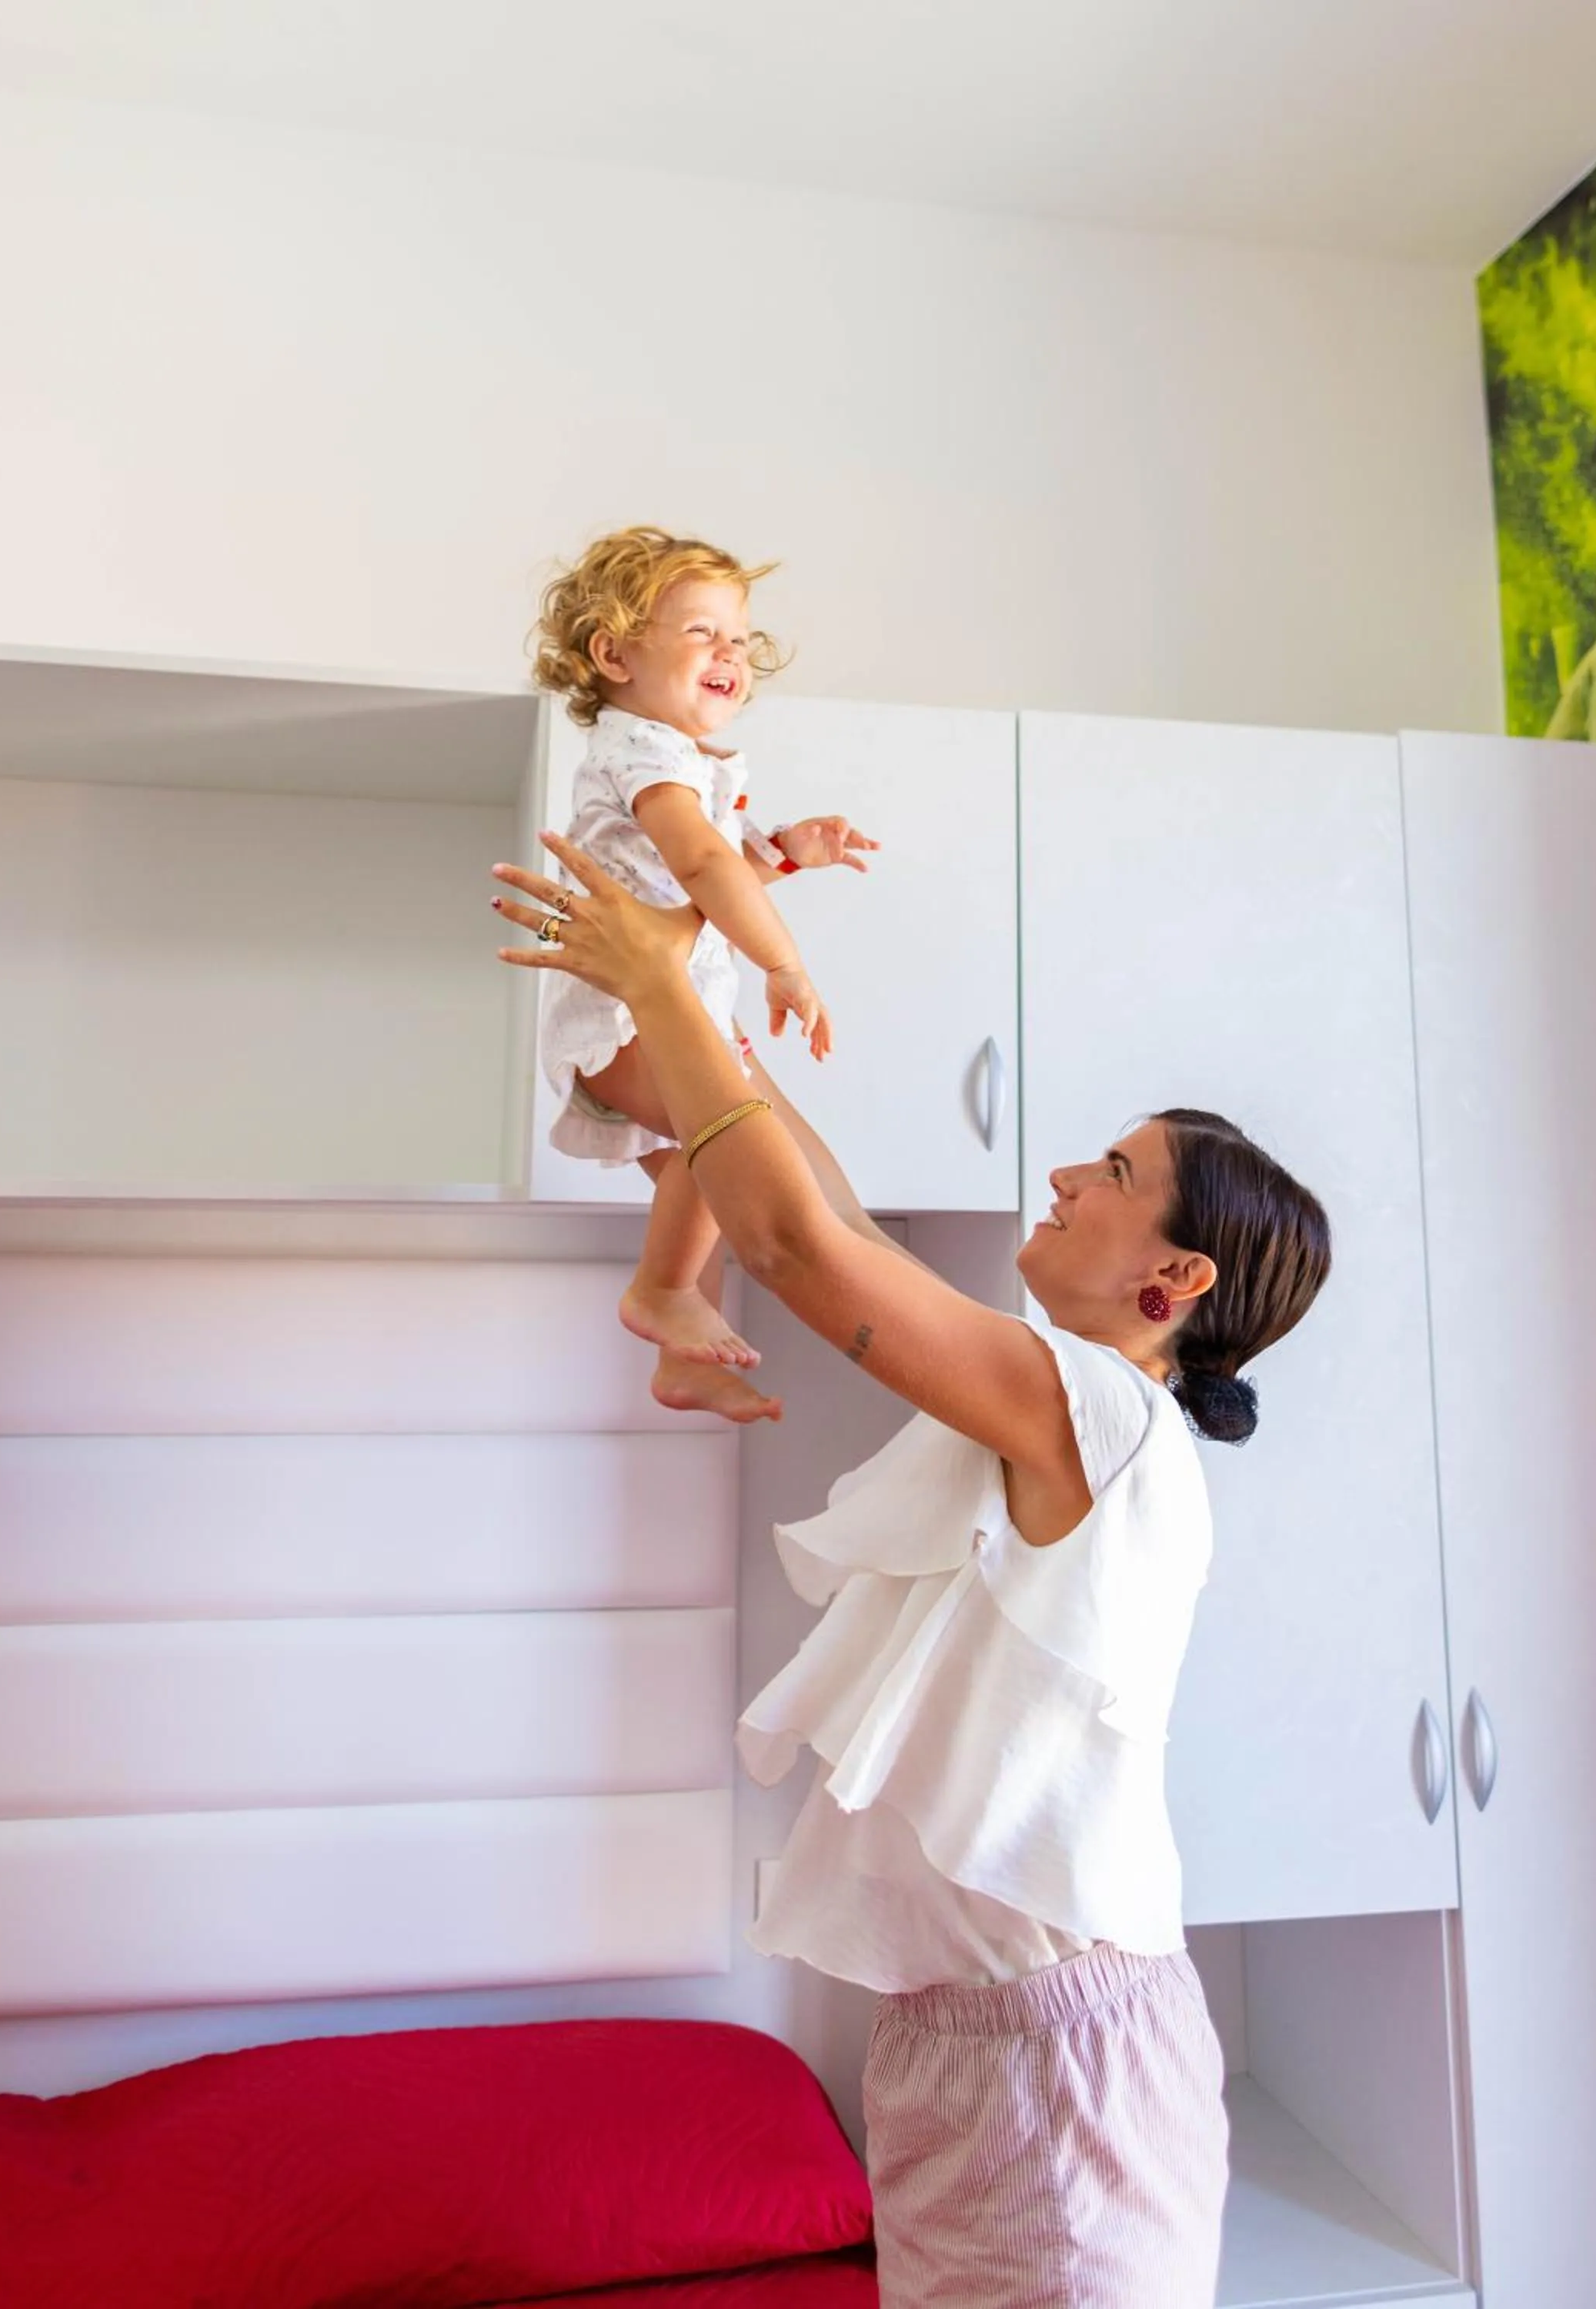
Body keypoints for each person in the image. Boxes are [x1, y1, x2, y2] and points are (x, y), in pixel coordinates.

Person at [491, 837, 1331, 2308]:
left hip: (1062, 2067)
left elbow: (801, 1252)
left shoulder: (1113, 1421)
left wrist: (665, 991)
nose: (1066, 1172)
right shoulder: (1053, 1396)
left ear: (1176, 1280)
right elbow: (840, 1222)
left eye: (1116, 1172)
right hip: (974, 2043)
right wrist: (692, 1028)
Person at [530, 526, 878, 1422]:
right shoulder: (645, 751)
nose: (729, 653)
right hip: (629, 1018)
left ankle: (683, 1351)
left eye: (737, 639)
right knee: (719, 1138)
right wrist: (786, 963)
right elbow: (700, 870)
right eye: (700, 633)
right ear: (613, 654)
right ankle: (659, 1292)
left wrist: (786, 855)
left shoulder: (674, 760)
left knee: (719, 1184)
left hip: (661, 1011)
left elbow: (706, 869)